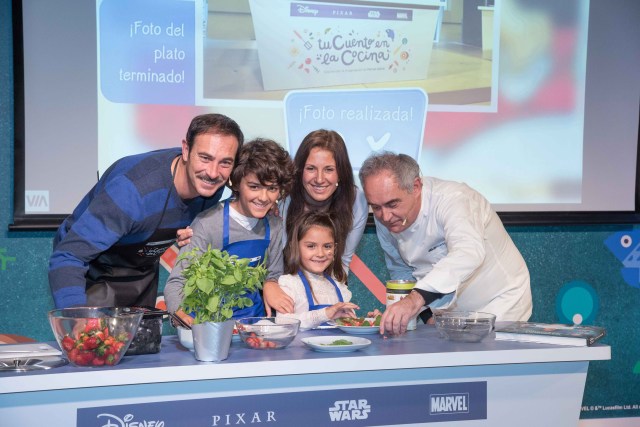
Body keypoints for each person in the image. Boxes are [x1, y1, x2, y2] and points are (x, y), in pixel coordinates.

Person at [49, 113, 244, 309]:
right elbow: (69, 255)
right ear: (186, 150)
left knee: (142, 337)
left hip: (141, 270)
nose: (212, 172)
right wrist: (76, 319)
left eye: (225, 162)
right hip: (92, 269)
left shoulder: (215, 183)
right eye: (205, 158)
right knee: (96, 337)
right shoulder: (132, 191)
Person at [359, 152, 532, 336]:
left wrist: (414, 301)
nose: (384, 216)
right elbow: (401, 270)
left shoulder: (454, 199)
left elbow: (468, 253)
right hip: (448, 312)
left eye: (392, 204)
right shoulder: (387, 218)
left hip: (500, 301)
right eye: (375, 207)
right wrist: (426, 315)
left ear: (416, 186)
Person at [164, 138, 295, 325]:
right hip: (210, 325)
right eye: (254, 187)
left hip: (254, 323)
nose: (263, 197)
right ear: (236, 182)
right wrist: (181, 316)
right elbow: (177, 282)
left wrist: (271, 283)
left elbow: (273, 274)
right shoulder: (207, 224)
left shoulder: (274, 225)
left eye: (272, 188)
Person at [263, 129, 368, 315]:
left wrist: (332, 303)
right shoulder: (282, 198)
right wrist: (273, 287)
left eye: (329, 169)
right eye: (311, 168)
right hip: (283, 285)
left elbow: (342, 260)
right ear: (299, 170)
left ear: (341, 173)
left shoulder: (356, 202)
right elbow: (276, 258)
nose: (319, 179)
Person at [276, 211, 359, 330]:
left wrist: (368, 320)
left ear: (335, 249)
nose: (320, 254)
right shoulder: (289, 283)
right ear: (294, 246)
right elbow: (282, 322)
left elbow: (348, 320)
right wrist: (324, 314)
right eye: (311, 246)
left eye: (327, 246)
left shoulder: (338, 285)